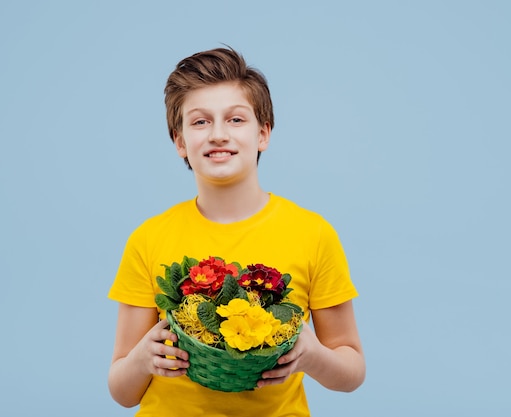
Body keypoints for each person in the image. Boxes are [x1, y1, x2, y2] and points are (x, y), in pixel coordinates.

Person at [107, 47, 366, 417]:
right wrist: (140, 361)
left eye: (235, 120)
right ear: (180, 142)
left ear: (263, 134)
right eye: (199, 122)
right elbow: (122, 389)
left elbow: (352, 370)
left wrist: (313, 356)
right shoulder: (148, 239)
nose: (217, 134)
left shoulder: (313, 234)